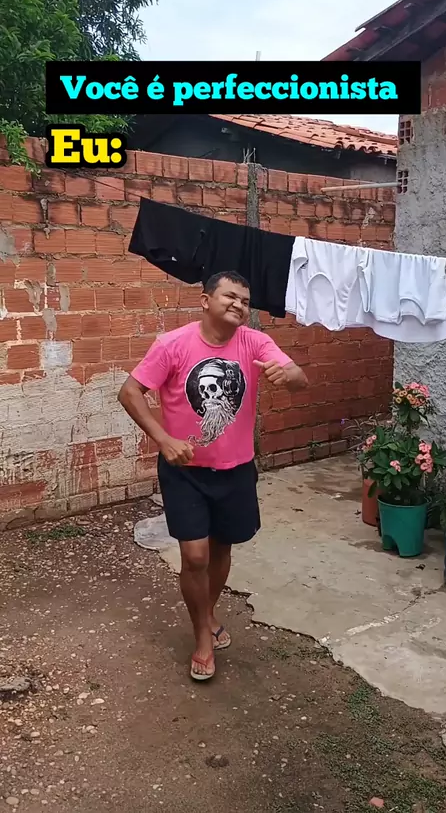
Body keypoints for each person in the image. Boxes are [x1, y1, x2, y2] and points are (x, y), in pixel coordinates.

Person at [118, 271, 308, 681]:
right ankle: (203, 636)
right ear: (206, 300)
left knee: (222, 550)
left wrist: (288, 376)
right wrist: (164, 439)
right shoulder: (172, 345)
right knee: (195, 556)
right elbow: (130, 392)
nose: (239, 304)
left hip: (236, 470)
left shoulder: (254, 342)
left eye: (245, 300)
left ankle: (207, 612)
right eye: (230, 296)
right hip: (184, 472)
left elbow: (299, 378)